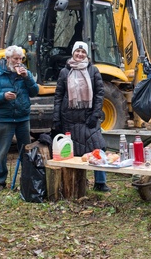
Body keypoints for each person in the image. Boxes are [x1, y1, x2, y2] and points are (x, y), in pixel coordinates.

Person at [52, 41, 110, 192]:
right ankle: (75, 184)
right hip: (69, 118)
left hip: (88, 118)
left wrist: (95, 114)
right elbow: (58, 96)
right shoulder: (64, 72)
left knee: (98, 147)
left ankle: (100, 182)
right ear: (73, 53)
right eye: (77, 52)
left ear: (87, 55)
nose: (80, 54)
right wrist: (56, 118)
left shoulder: (93, 71)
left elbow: (99, 94)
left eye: (83, 52)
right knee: (72, 151)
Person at [0, 45, 39, 192]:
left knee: (26, 152)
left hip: (22, 118)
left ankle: (27, 180)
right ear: (7, 59)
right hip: (4, 119)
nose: (18, 61)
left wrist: (27, 78)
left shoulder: (26, 73)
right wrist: (3, 96)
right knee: (1, 153)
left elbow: (35, 92)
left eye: (21, 58)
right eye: (15, 58)